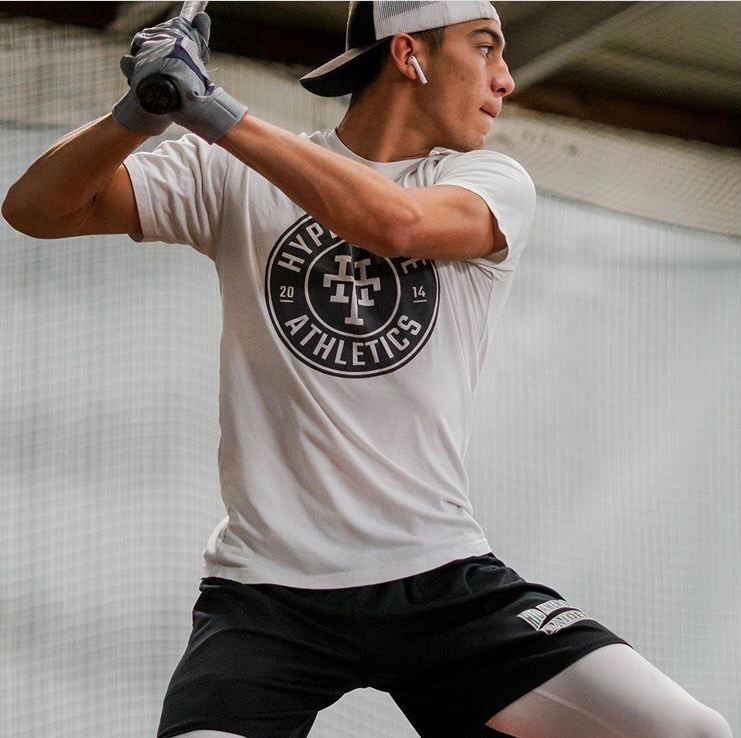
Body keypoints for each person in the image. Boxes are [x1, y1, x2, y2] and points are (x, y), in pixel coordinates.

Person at [3, 2, 733, 737]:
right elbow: (36, 207)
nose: (506, 79)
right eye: (484, 49)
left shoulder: (490, 179)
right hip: (265, 595)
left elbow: (395, 226)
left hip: (440, 580)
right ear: (410, 56)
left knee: (690, 731)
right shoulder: (231, 175)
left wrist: (211, 108)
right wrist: (143, 111)